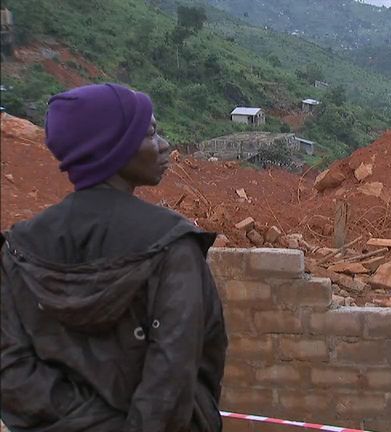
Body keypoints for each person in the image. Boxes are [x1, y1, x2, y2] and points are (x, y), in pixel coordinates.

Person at [0, 83, 228, 432]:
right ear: (113, 147)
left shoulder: (17, 249)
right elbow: (172, 375)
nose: (164, 145)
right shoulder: (172, 245)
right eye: (150, 133)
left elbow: (11, 372)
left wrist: (87, 422)